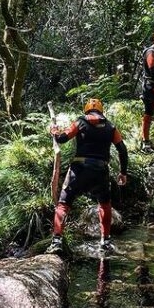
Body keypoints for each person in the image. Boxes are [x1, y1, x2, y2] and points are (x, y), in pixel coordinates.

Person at [47, 98, 129, 254]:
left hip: (79, 170)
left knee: (64, 203)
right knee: (104, 204)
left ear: (86, 110)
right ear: (101, 111)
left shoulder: (80, 122)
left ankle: (56, 241)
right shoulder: (111, 127)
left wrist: (54, 131)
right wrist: (123, 173)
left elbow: (62, 138)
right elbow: (122, 150)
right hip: (100, 171)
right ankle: (105, 242)